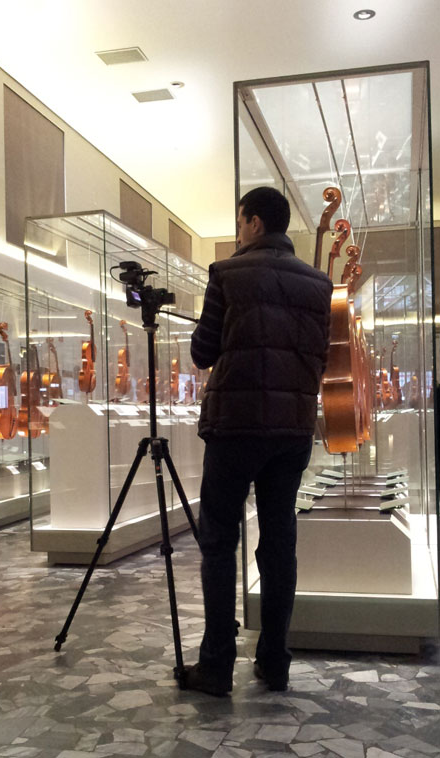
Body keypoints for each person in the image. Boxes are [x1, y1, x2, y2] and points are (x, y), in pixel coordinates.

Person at [185, 186, 333, 696]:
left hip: (235, 426)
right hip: (291, 430)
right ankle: (274, 662)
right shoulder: (319, 284)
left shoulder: (226, 273)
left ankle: (216, 666)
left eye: (239, 221)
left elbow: (203, 351)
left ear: (250, 223)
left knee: (220, 541)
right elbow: (321, 359)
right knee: (279, 543)